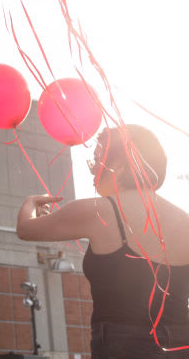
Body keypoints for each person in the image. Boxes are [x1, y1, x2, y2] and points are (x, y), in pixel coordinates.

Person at [16, 124, 189, 358]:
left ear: (118, 163)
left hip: (121, 347)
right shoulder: (184, 221)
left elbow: (26, 229)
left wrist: (30, 203)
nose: (92, 170)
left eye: (96, 159)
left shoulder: (98, 211)